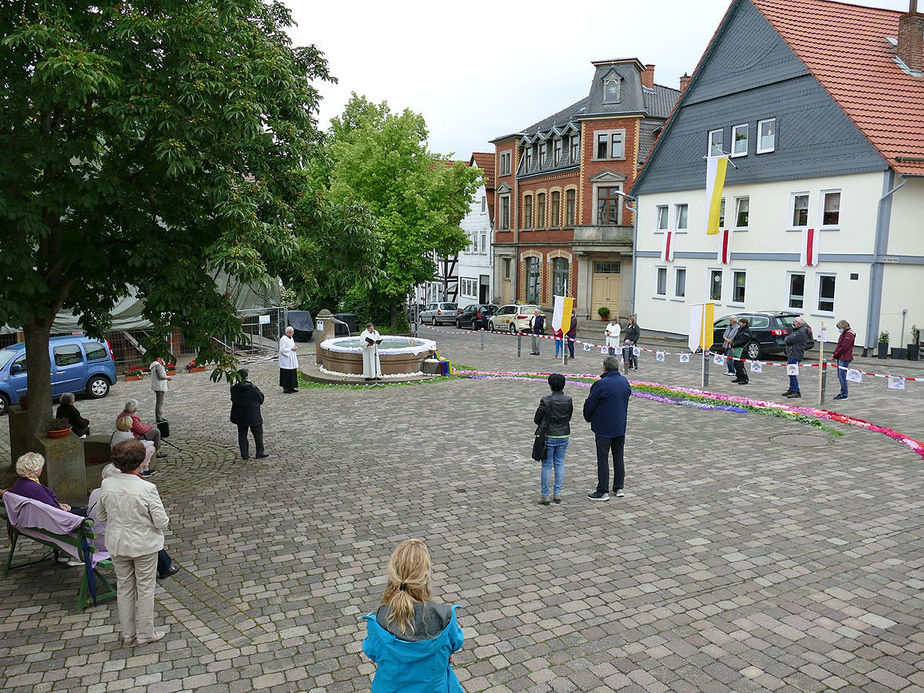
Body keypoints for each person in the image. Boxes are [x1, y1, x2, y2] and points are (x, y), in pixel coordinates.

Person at [362, 539, 463, 693]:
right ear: (425, 576)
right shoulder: (446, 617)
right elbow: (455, 643)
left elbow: (373, 652)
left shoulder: (377, 621)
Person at [98, 440, 171, 647]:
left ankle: (128, 635)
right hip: (143, 544)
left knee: (125, 588)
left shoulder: (107, 484)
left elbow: (101, 515)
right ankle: (145, 633)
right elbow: (161, 521)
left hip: (118, 543)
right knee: (146, 588)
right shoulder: (147, 488)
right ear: (140, 462)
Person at [88, 463, 178, 579]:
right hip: (115, 543)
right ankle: (165, 568)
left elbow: (100, 516)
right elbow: (160, 522)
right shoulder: (129, 494)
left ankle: (163, 567)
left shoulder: (96, 492)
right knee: (148, 535)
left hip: (97, 540)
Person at [583, 356, 631, 501]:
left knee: (603, 458)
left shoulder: (601, 384)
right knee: (618, 456)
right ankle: (619, 487)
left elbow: (590, 404)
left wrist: (588, 417)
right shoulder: (624, 381)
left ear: (604, 368)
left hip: (604, 427)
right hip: (619, 425)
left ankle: (602, 490)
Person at [534, 373, 573, 505]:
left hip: (548, 436)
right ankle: (557, 494)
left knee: (546, 465)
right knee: (559, 463)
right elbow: (569, 416)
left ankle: (545, 495)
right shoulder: (568, 399)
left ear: (550, 385)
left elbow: (537, 419)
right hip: (563, 434)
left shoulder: (546, 400)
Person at [9, 452, 86, 516]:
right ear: (35, 470)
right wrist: (62, 508)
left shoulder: (19, 483)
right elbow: (54, 510)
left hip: (35, 515)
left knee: (79, 509)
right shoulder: (34, 487)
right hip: (51, 519)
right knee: (88, 512)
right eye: (41, 466)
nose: (42, 469)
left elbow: (44, 501)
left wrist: (59, 504)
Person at [230, 368, 267, 459]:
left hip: (240, 414)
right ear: (247, 377)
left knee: (242, 434)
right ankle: (259, 452)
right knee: (258, 433)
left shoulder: (234, 388)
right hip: (252, 413)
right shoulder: (252, 388)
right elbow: (261, 398)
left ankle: (244, 454)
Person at [783, 316, 810, 398]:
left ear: (799, 323)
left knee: (792, 373)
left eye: (794, 322)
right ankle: (791, 388)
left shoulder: (800, 333)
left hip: (795, 354)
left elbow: (788, 340)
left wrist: (788, 338)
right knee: (790, 373)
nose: (793, 323)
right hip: (792, 354)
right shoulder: (797, 331)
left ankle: (796, 391)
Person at [832, 319, 856, 400]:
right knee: (840, 376)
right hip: (841, 357)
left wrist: (836, 355)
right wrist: (835, 354)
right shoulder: (844, 334)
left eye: (839, 327)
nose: (839, 329)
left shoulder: (849, 335)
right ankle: (843, 392)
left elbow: (844, 347)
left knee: (842, 376)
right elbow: (839, 345)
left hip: (845, 357)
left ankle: (844, 394)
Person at [149, 356, 172, 422]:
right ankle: (159, 418)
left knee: (159, 402)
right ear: (158, 358)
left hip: (157, 386)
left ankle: (159, 417)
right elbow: (161, 376)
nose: (162, 359)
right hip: (160, 386)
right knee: (160, 403)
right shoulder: (158, 365)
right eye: (161, 358)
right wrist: (168, 377)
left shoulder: (154, 365)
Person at [730, 317, 752, 385]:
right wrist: (733, 345)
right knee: (735, 364)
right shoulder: (740, 329)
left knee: (740, 365)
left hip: (742, 349)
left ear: (744, 323)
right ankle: (739, 377)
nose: (739, 323)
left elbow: (742, 341)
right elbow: (736, 337)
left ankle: (745, 378)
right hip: (737, 349)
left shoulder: (746, 331)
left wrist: (734, 344)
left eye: (740, 323)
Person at [278, 326, 299, 394]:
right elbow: (282, 350)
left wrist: (294, 348)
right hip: (286, 359)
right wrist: (291, 349)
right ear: (287, 332)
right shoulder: (283, 339)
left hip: (291, 358)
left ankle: (292, 387)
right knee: (286, 373)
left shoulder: (291, 338)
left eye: (292, 332)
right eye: (290, 333)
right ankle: (286, 388)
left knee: (292, 372)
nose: (292, 334)